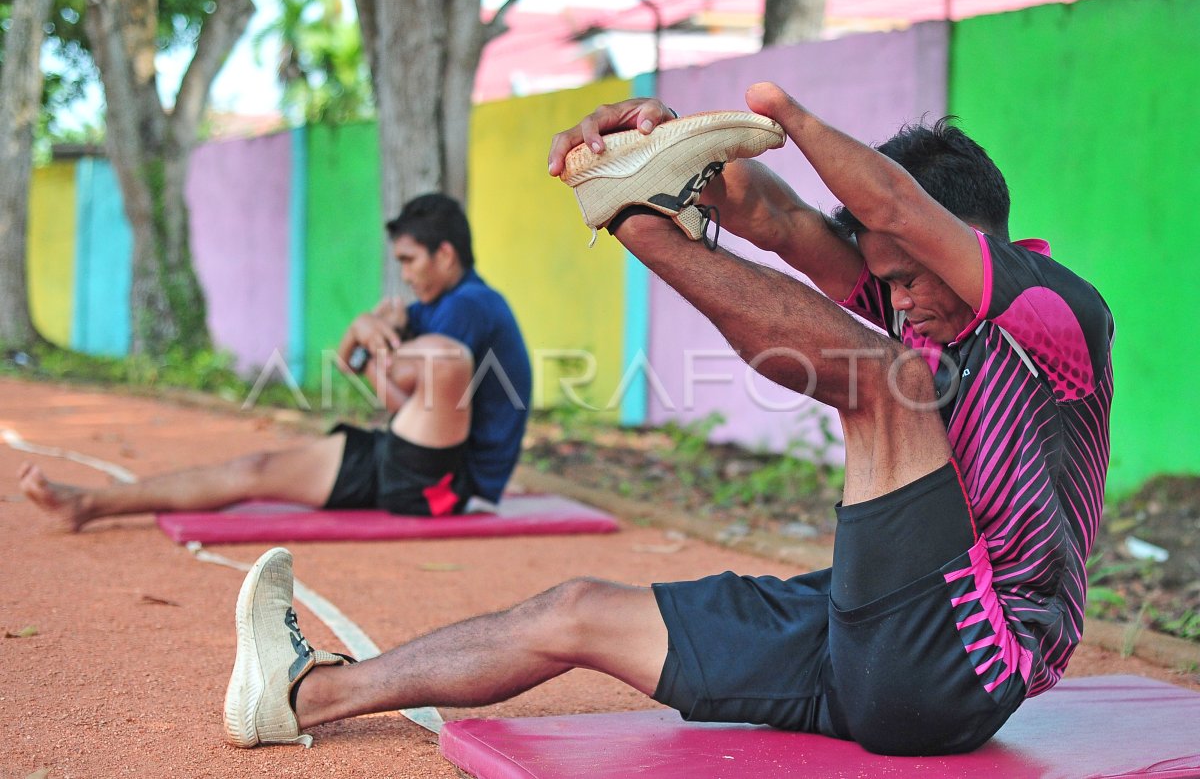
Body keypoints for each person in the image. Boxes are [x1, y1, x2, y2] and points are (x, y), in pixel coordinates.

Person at [221, 83, 1114, 756]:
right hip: (876, 642)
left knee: (882, 381)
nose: (900, 300)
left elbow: (892, 210)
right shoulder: (909, 297)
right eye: (887, 280)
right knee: (578, 612)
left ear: (976, 244)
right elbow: (774, 214)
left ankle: (635, 223)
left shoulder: (1058, 317)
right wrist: (662, 144)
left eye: (911, 276)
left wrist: (788, 118)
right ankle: (303, 695)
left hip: (965, 665)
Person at [18, 193, 532, 530]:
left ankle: (89, 505)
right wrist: (362, 329)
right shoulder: (436, 305)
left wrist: (376, 341)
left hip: (450, 484)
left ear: (444, 255)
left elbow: (397, 399)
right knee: (254, 468)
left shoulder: (468, 307)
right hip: (411, 458)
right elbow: (350, 365)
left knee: (441, 358)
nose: (404, 275)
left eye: (409, 261)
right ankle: (87, 505)